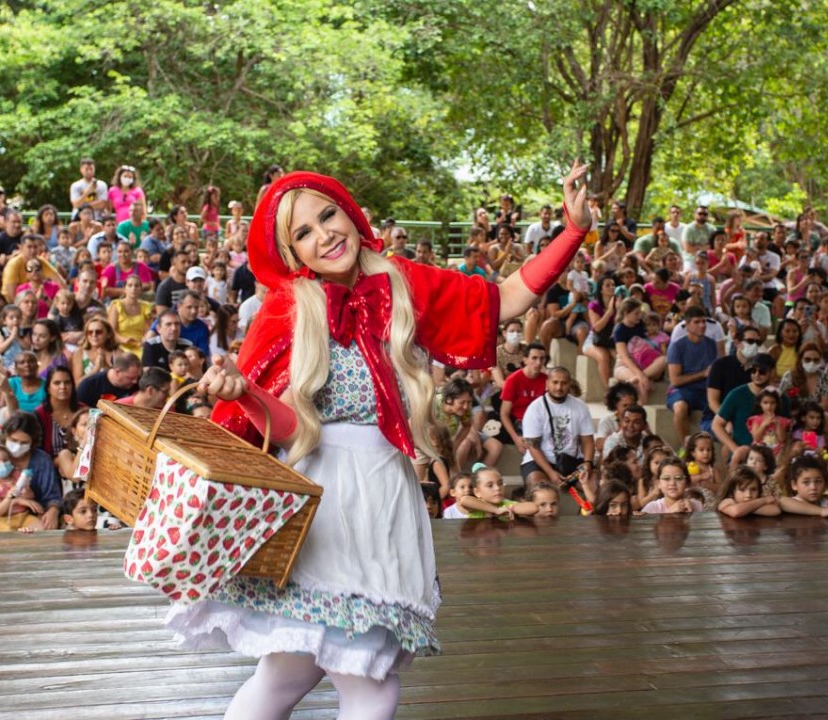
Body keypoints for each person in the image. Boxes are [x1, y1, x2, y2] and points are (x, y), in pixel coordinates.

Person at [176, 164, 592, 717]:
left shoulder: (401, 281)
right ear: (293, 253)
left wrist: (572, 230)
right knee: (356, 684)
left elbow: (506, 297)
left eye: (327, 215)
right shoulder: (288, 308)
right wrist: (246, 392)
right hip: (320, 502)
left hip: (385, 495)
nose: (323, 234)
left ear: (349, 212)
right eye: (303, 232)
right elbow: (294, 429)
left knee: (288, 676)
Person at [0, 411, 63, 530]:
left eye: (24, 443)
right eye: (13, 440)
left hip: (29, 517)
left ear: (33, 442)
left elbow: (52, 497)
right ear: (5, 436)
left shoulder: (41, 460)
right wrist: (18, 501)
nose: (17, 446)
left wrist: (53, 512)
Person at [519, 366, 595, 495]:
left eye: (564, 383)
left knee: (595, 485)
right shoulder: (535, 408)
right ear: (547, 383)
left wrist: (587, 463)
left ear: (569, 384)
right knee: (539, 488)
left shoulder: (580, 406)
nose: (559, 387)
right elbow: (533, 447)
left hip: (571, 461)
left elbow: (587, 441)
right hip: (540, 462)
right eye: (555, 382)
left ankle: (588, 514)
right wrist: (550, 472)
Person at [666, 306, 718, 443]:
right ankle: (686, 447)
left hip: (706, 390)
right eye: (696, 322)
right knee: (680, 408)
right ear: (687, 325)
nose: (701, 325)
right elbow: (675, 380)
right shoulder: (677, 346)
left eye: (703, 322)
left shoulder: (711, 344)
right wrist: (703, 374)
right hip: (682, 390)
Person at [499, 342, 548, 451]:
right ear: (525, 360)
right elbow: (504, 413)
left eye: (542, 359)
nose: (538, 362)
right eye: (534, 358)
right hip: (519, 422)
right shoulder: (512, 380)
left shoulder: (547, 380)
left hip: (540, 421)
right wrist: (515, 437)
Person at [458, 464, 538, 519]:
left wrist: (511, 509)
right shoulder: (476, 506)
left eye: (500, 483)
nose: (497, 488)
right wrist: (496, 510)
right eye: (490, 485)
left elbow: (534, 508)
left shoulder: (505, 505)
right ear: (477, 492)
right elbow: (464, 500)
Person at [75, 353, 141, 408]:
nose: (135, 381)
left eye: (137, 377)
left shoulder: (139, 383)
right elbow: (81, 413)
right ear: (117, 372)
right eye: (130, 378)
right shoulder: (89, 385)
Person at [715, 466, 781, 518]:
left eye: (753, 489)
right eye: (742, 490)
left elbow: (775, 510)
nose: (748, 495)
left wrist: (746, 509)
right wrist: (764, 500)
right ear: (732, 491)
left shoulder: (754, 502)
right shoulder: (727, 501)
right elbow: (736, 512)